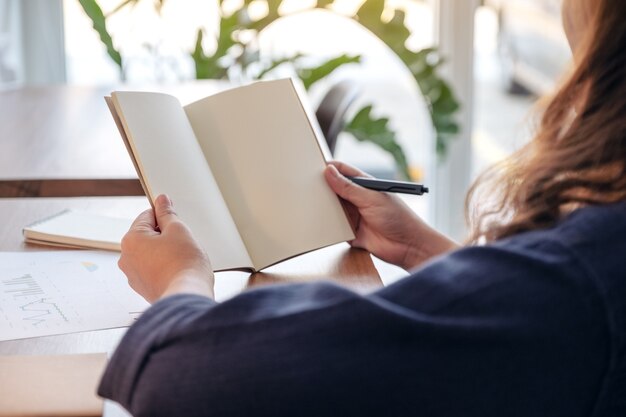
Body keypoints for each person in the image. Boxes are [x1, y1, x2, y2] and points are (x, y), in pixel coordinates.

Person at [98, 0, 626, 415]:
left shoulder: (584, 281)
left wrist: (180, 280)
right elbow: (520, 333)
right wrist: (421, 247)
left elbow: (186, 378)